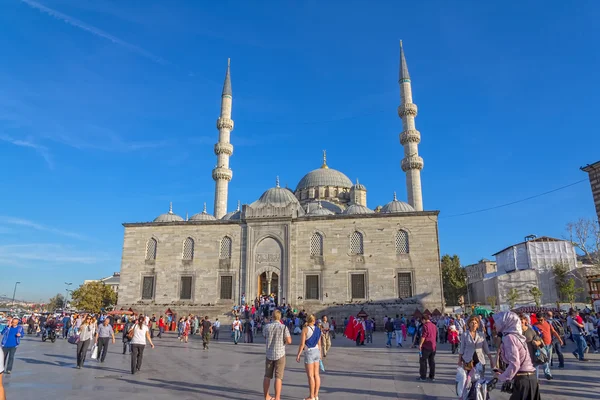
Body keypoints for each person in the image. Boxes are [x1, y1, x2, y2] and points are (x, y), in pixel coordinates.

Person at [494, 312, 540, 400]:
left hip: (523, 379)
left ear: (506, 322)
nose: (495, 324)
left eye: (498, 321)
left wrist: (501, 377)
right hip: (530, 378)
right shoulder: (517, 336)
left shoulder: (509, 338)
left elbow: (515, 363)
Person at [263, 310, 292, 400]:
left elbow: (265, 336)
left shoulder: (267, 327)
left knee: (267, 376)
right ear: (280, 317)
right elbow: (289, 341)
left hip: (269, 354)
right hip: (280, 354)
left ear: (272, 317)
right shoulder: (283, 327)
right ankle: (277, 397)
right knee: (278, 377)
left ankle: (266, 396)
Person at [296, 315, 322, 400]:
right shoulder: (318, 329)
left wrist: (299, 354)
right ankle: (316, 395)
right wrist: (320, 353)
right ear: (314, 320)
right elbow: (319, 343)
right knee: (316, 374)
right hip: (317, 351)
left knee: (310, 376)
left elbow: (302, 344)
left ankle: (311, 396)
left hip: (309, 351)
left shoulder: (305, 329)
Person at [533, 312, 562, 380]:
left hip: (549, 344)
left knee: (548, 359)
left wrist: (559, 339)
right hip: (541, 346)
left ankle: (547, 373)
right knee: (545, 359)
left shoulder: (548, 324)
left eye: (541, 320)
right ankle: (547, 373)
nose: (540, 321)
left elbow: (553, 331)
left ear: (544, 318)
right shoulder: (535, 326)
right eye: (538, 320)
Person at [417, 314, 437, 382]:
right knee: (432, 362)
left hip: (426, 346)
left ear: (423, 320)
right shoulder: (434, 325)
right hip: (433, 346)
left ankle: (423, 376)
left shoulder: (425, 326)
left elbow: (424, 336)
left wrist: (420, 344)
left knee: (423, 361)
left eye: (422, 320)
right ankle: (432, 376)